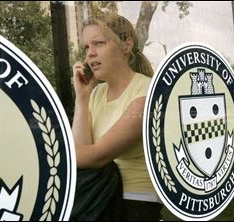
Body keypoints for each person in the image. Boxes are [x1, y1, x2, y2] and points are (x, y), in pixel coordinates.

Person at [71, 13, 163, 221]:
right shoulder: (95, 94)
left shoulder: (146, 93)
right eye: (86, 47)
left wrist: (51, 157)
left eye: (99, 43)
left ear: (126, 45)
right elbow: (80, 152)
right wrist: (82, 98)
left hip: (134, 202)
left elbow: (94, 157)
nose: (90, 54)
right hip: (96, 196)